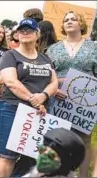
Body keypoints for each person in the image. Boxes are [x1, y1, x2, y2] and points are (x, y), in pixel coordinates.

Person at [0, 18, 58, 177]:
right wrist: (35, 101)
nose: (25, 33)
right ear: (16, 35)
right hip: (12, 108)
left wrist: (44, 95)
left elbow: (54, 82)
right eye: (21, 30)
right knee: (8, 155)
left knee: (32, 156)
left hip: (39, 112)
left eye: (29, 30)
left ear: (38, 34)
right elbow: (11, 81)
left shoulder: (45, 58)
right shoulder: (10, 55)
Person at [46, 11, 97, 177]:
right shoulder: (53, 49)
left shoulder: (93, 47)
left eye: (73, 19)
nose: (69, 22)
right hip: (59, 98)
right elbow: (47, 74)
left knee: (84, 139)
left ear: (81, 24)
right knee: (59, 138)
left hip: (85, 99)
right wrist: (54, 88)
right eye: (66, 20)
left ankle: (82, 175)